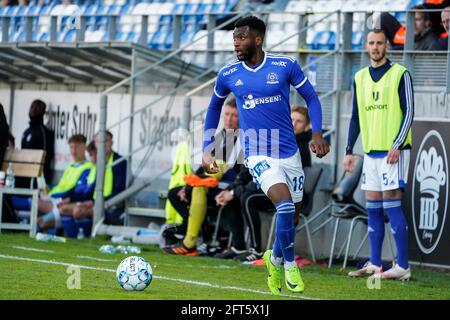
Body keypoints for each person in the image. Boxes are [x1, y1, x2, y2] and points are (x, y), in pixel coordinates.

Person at [202, 16, 329, 294]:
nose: (236, 43)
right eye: (234, 38)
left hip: (289, 152)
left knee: (291, 217)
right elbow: (214, 108)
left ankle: (275, 258)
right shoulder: (228, 74)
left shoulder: (284, 66)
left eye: (242, 38)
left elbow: (312, 97)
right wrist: (207, 146)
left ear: (257, 39)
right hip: (259, 151)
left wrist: (317, 133)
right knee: (283, 206)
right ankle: (290, 264)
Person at [344, 29, 414, 280]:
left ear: (387, 46)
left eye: (379, 43)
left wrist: (396, 144)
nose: (375, 47)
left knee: (392, 205)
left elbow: (409, 112)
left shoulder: (400, 74)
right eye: (371, 43)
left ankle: (403, 266)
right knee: (372, 207)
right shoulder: (360, 77)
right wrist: (349, 150)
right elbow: (355, 117)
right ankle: (375, 263)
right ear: (366, 46)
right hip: (370, 153)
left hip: (392, 152)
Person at [215, 106, 314, 262]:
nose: (294, 124)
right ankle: (237, 246)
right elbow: (248, 170)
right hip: (267, 187)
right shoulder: (276, 137)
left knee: (248, 197)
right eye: (291, 119)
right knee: (236, 196)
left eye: (299, 121)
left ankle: (256, 250)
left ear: (306, 126)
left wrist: (237, 190)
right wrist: (232, 190)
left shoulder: (300, 145)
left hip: (289, 194)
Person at [163, 97, 244, 256]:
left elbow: (232, 169)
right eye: (226, 114)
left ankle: (192, 241)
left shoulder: (244, 137)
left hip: (228, 186)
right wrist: (189, 184)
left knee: (198, 189)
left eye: (234, 116)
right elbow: (207, 166)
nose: (229, 119)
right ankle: (199, 233)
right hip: (211, 183)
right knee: (175, 193)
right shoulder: (220, 136)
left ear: (241, 118)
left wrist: (204, 178)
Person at [36, 134, 94, 232]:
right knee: (34, 204)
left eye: (77, 147)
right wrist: (48, 192)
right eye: (71, 147)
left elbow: (76, 191)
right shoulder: (70, 166)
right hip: (54, 198)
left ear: (84, 147)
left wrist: (55, 196)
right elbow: (61, 186)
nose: (73, 151)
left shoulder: (88, 167)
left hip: (64, 201)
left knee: (41, 220)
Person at [20, 99, 55, 185]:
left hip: (39, 178)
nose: (33, 111)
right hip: (24, 174)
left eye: (37, 109)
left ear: (43, 112)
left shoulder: (44, 133)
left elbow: (46, 157)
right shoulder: (27, 132)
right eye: (32, 108)